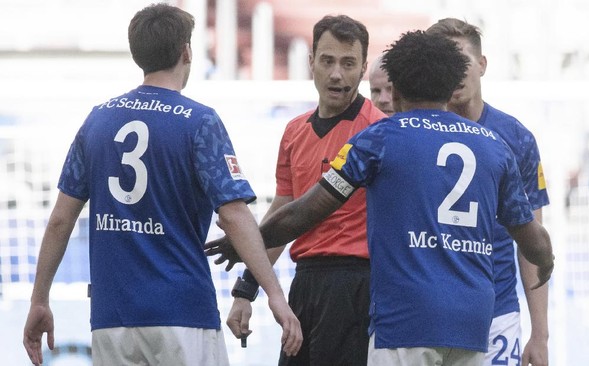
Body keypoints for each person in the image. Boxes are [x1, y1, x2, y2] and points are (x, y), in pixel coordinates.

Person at [211, 30, 554, 366]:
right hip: (472, 322)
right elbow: (530, 236)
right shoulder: (494, 146)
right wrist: (547, 259)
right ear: (452, 87)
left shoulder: (377, 139)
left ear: (397, 88)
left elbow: (307, 211)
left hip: (404, 320)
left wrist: (247, 241)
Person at [22, 4, 301, 366]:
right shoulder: (199, 122)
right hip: (182, 315)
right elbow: (233, 214)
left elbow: (61, 219)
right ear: (186, 51)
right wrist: (275, 295)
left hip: (112, 319)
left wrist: (40, 300)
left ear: (137, 53)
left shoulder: (97, 120)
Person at [206, 14, 386, 366]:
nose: (337, 74)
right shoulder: (294, 132)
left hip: (358, 287)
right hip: (305, 284)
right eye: (328, 61)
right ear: (311, 62)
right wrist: (247, 289)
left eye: (349, 63)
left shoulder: (379, 131)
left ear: (364, 67)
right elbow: (285, 213)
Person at [426, 18, 551, 366]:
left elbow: (531, 243)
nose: (455, 72)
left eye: (462, 60)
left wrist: (539, 334)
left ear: (482, 65)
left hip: (497, 314)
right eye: (444, 63)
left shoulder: (516, 138)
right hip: (426, 316)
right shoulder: (416, 136)